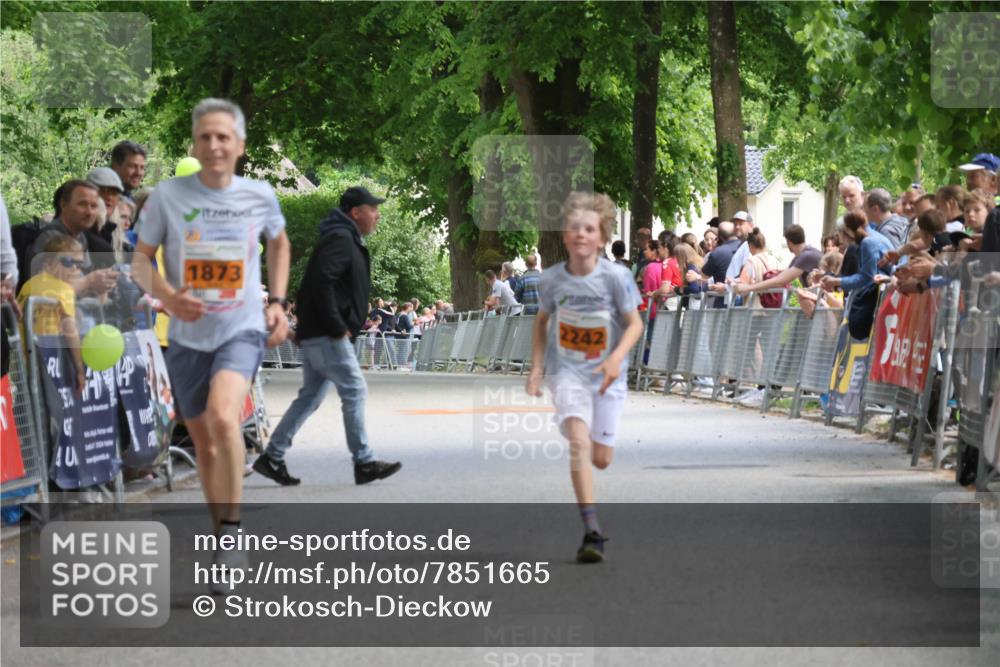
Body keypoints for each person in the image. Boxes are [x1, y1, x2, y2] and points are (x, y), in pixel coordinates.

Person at [131, 98, 292, 577]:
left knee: (225, 417)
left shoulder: (259, 195)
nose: (215, 144)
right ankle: (220, 528)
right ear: (196, 144)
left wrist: (278, 303)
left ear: (239, 146)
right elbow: (140, 259)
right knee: (203, 443)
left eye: (224, 137)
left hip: (239, 327)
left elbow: (280, 243)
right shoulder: (167, 196)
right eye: (206, 136)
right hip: (186, 335)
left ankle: (232, 536)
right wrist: (168, 295)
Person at [254, 185, 401, 488]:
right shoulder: (341, 238)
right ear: (356, 212)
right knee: (355, 389)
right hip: (328, 334)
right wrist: (336, 326)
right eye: (373, 209)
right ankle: (364, 461)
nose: (378, 215)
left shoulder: (342, 237)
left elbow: (315, 284)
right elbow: (320, 283)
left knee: (310, 397)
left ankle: (273, 456)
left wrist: (307, 329)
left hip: (319, 331)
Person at [525, 191, 643, 563]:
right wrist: (537, 368)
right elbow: (542, 323)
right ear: (564, 236)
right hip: (568, 373)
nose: (580, 234)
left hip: (608, 374)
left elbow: (635, 324)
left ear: (602, 237)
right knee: (578, 442)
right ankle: (592, 530)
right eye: (574, 228)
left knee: (602, 459)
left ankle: (596, 451)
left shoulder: (617, 278)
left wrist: (615, 359)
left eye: (589, 228)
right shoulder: (552, 280)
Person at [17, 235, 86, 393]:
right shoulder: (63, 289)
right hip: (46, 364)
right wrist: (80, 368)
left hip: (20, 362)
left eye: (79, 264)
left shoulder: (28, 284)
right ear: (48, 263)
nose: (75, 269)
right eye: (68, 262)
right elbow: (70, 331)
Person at [28, 180, 119, 297]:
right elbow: (44, 290)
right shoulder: (50, 238)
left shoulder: (81, 238)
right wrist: (90, 281)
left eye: (94, 206)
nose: (90, 212)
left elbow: (79, 280)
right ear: (63, 205)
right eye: (82, 204)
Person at [733, 225, 822, 298]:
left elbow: (780, 280)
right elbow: (781, 275)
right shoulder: (802, 255)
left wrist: (748, 288)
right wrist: (737, 281)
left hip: (823, 305)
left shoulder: (806, 257)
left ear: (788, 242)